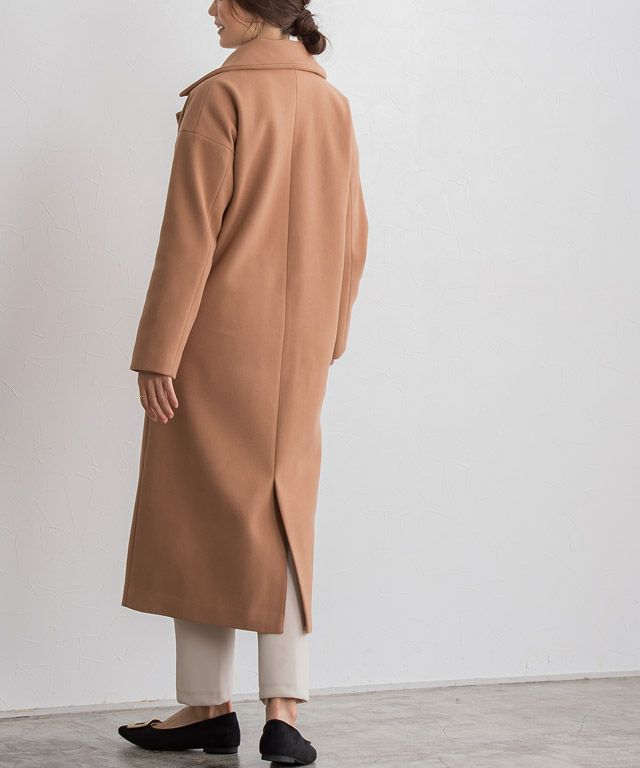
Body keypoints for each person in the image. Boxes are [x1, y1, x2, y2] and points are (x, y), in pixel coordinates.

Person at [117, 0, 368, 763]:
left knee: (198, 513)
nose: (211, 9)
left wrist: (158, 349)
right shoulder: (330, 103)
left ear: (258, 8)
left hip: (215, 341)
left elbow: (190, 234)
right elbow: (353, 237)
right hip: (298, 351)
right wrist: (330, 335)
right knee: (283, 512)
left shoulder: (222, 97)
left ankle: (206, 705)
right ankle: (283, 711)